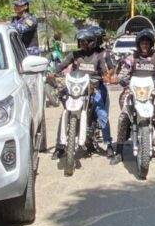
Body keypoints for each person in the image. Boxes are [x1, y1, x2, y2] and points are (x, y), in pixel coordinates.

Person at [111, 29, 155, 167]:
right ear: (138, 44)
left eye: (147, 43)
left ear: (151, 44)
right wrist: (118, 79)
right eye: (142, 43)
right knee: (123, 116)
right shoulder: (131, 57)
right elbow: (123, 72)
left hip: (152, 91)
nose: (145, 45)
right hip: (133, 90)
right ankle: (119, 152)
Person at [49, 29, 114, 159]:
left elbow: (105, 71)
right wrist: (53, 72)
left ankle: (109, 145)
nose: (83, 44)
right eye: (81, 42)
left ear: (92, 42)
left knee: (102, 114)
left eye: (85, 42)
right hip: (77, 89)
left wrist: (106, 76)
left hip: (94, 88)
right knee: (65, 113)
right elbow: (62, 65)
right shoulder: (75, 54)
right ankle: (60, 147)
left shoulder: (99, 55)